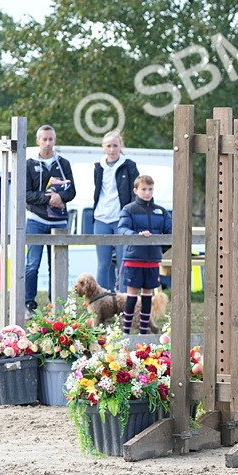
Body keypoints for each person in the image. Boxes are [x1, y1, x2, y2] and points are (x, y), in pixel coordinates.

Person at [24, 125, 76, 311]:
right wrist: (49, 198)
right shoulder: (29, 164)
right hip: (35, 221)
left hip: (59, 222)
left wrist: (60, 197)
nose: (47, 143)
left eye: (50, 139)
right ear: (37, 141)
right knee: (32, 264)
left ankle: (57, 305)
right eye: (44, 139)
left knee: (57, 265)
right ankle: (28, 304)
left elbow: (72, 191)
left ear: (55, 141)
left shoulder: (63, 164)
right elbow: (25, 194)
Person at [118, 175, 172, 335]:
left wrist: (158, 248)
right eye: (143, 189)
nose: (147, 192)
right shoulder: (128, 209)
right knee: (132, 296)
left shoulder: (161, 212)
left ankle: (143, 333)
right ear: (135, 190)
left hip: (152, 260)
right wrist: (137, 235)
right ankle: (126, 333)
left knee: (147, 296)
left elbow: (170, 232)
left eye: (150, 189)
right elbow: (122, 229)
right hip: (133, 259)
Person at [91, 130, 140, 291]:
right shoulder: (98, 167)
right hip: (101, 219)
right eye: (108, 146)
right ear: (103, 147)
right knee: (103, 264)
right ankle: (101, 298)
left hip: (121, 220)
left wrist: (130, 215)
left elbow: (136, 192)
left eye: (115, 145)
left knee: (123, 262)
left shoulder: (129, 165)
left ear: (120, 146)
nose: (112, 149)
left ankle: (124, 300)